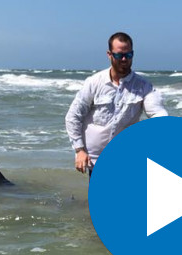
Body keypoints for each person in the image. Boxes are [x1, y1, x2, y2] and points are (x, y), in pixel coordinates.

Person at [65, 32, 168, 175]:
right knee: (99, 197)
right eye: (119, 55)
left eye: (129, 55)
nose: (124, 59)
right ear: (109, 54)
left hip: (126, 159)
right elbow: (73, 116)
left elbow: (157, 113)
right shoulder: (94, 83)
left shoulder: (144, 86)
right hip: (96, 161)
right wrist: (79, 150)